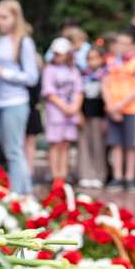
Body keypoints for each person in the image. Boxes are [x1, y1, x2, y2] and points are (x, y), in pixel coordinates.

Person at [0, 0, 40, 195]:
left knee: (15, 152)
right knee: (9, 152)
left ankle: (17, 197)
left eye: (4, 17)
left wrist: (3, 73)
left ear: (15, 18)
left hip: (15, 102)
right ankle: (24, 195)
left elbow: (32, 77)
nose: (0, 21)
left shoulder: (24, 42)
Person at [102, 30, 135, 193]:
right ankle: (117, 176)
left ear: (133, 46)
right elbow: (105, 85)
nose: (121, 46)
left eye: (125, 43)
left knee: (131, 145)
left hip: (131, 109)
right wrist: (111, 106)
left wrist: (119, 105)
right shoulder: (110, 62)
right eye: (118, 42)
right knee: (116, 144)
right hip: (112, 109)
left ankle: (130, 177)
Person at [41, 38, 83, 183]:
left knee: (66, 144)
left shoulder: (73, 70)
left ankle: (63, 175)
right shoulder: (49, 70)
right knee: (56, 144)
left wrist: (75, 107)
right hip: (56, 113)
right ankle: (55, 175)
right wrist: (64, 107)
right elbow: (49, 92)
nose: (59, 56)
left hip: (71, 113)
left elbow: (79, 90)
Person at [78, 47, 108, 189]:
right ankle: (85, 174)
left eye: (95, 58)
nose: (92, 61)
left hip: (99, 115)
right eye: (89, 58)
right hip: (85, 113)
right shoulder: (82, 74)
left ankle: (99, 175)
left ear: (101, 59)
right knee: (84, 144)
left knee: (98, 145)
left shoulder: (105, 75)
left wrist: (106, 118)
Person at [24, 24, 45, 180]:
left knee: (30, 141)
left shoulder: (35, 57)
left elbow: (38, 82)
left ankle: (29, 173)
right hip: (20, 102)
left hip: (31, 104)